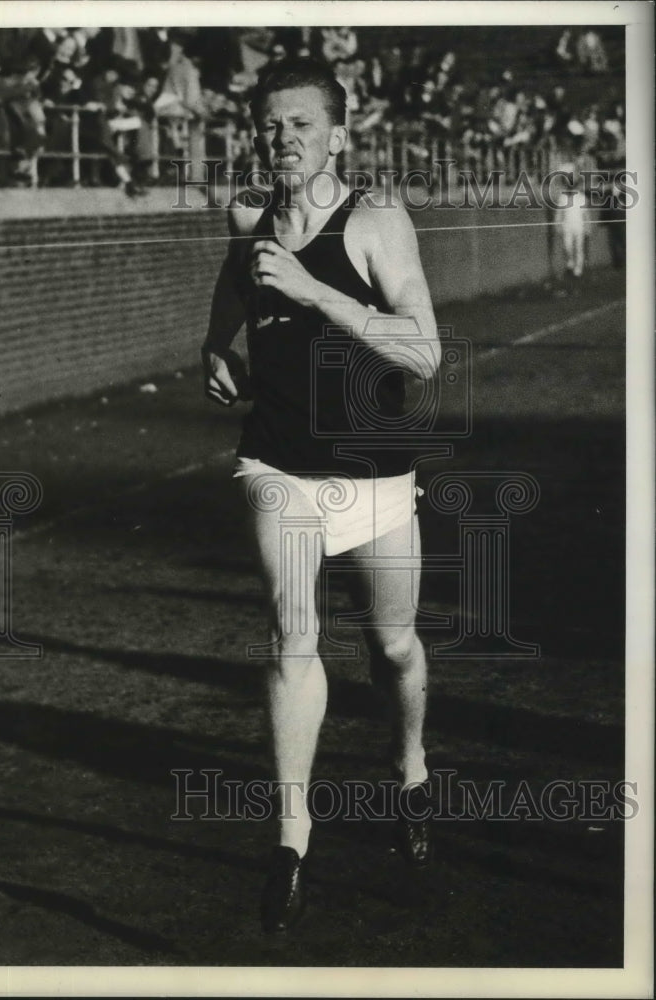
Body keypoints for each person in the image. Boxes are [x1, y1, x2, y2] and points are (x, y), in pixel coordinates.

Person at [201, 58, 440, 933]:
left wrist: (311, 291)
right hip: (279, 465)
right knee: (290, 631)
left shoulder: (376, 220)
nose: (282, 140)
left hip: (376, 471)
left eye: (300, 125)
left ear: (337, 134)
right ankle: (290, 836)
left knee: (394, 646)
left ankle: (410, 765)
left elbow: (423, 354)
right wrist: (216, 349)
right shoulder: (247, 219)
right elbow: (233, 284)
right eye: (269, 126)